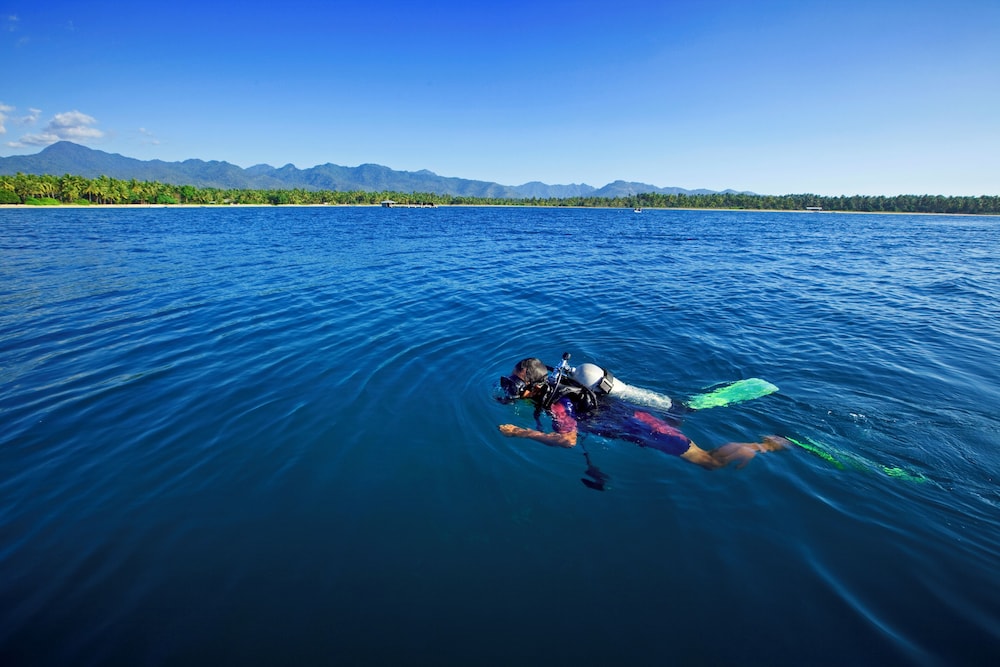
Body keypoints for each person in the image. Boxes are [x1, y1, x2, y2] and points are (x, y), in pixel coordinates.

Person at [498, 357, 789, 470]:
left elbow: (568, 441)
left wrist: (519, 432)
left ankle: (764, 445)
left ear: (535, 386)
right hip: (631, 417)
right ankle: (684, 411)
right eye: (509, 381)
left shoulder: (559, 403)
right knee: (689, 430)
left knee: (708, 461)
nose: (511, 387)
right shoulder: (556, 387)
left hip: (640, 425)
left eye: (515, 383)